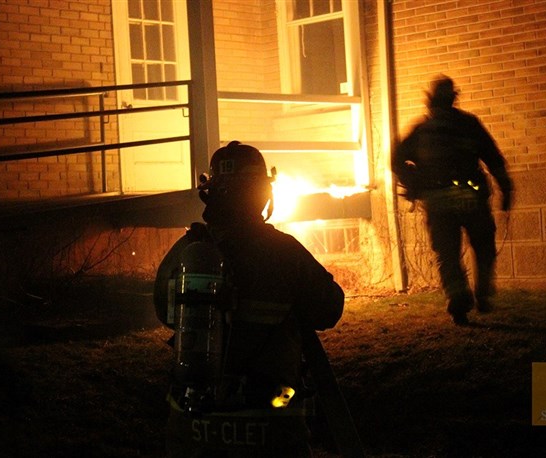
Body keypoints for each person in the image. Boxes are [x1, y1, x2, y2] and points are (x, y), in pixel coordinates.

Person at [153, 141, 345, 457]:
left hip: (193, 430)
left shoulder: (187, 253)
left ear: (210, 194)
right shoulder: (284, 252)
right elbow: (330, 308)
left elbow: (163, 310)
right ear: (262, 194)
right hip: (269, 428)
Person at [392, 75, 513, 325]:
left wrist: (412, 181)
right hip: (472, 200)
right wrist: (506, 189)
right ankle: (483, 292)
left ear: (431, 100)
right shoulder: (469, 125)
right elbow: (493, 158)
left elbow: (396, 159)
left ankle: (458, 300)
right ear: (453, 99)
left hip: (438, 203)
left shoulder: (422, 130)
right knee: (483, 247)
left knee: (447, 255)